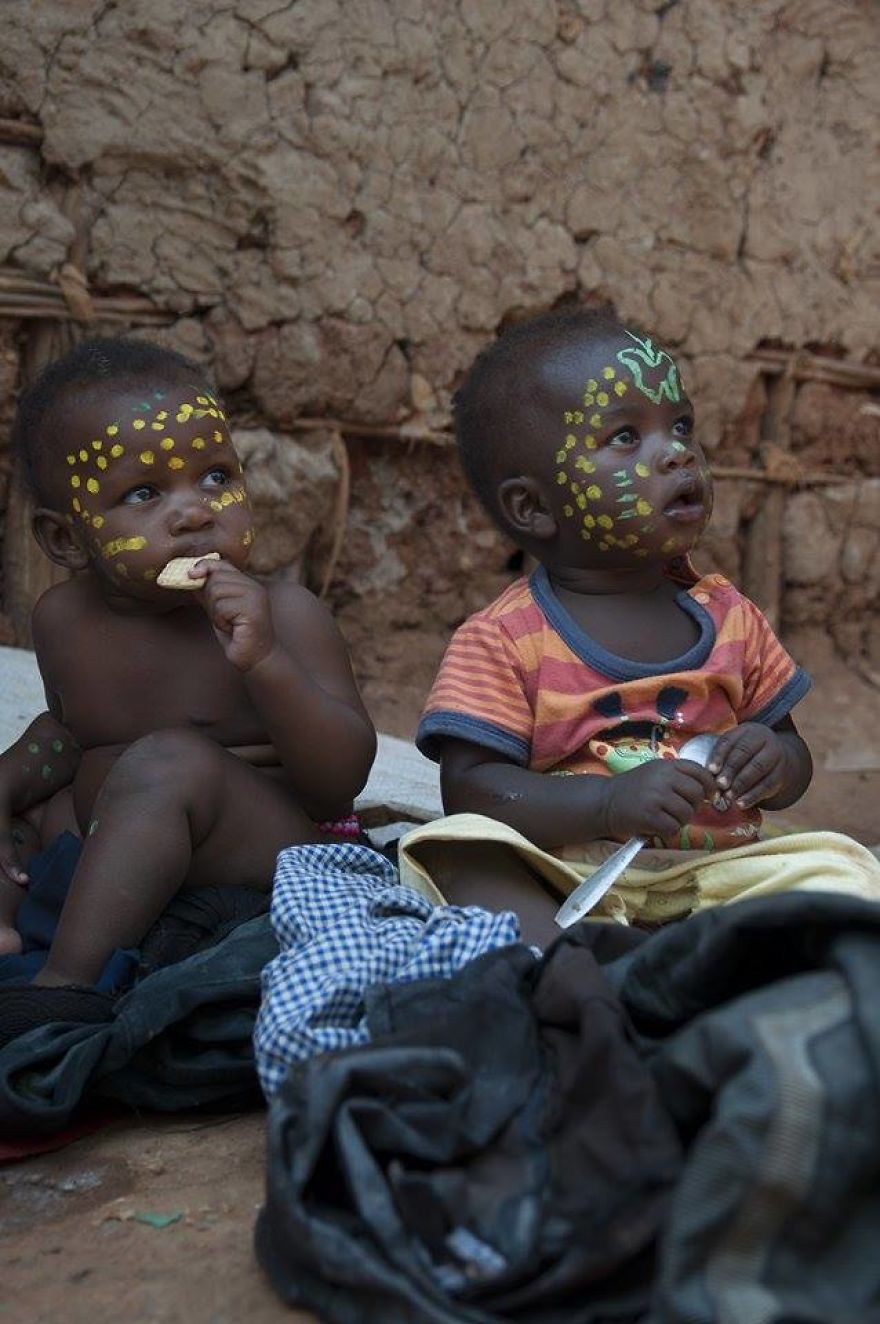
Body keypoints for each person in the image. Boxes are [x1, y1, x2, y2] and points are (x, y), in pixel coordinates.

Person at [401, 308, 879, 945]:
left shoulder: (731, 617)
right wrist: (605, 805)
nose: (678, 451)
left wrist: (775, 761)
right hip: (567, 874)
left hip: (721, 874)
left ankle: (698, 960)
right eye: (626, 438)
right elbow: (471, 791)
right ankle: (566, 967)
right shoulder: (503, 640)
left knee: (842, 869)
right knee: (461, 851)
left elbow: (793, 758)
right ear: (535, 507)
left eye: (679, 425)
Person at [0, 337, 376, 1019]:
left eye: (215, 478)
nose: (198, 510)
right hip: (120, 852)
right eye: (144, 493)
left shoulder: (287, 617)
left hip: (275, 854)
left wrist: (267, 665)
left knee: (169, 764)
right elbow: (74, 731)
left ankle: (62, 991)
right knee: (22, 805)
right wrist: (16, 774)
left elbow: (338, 783)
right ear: (65, 540)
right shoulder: (62, 621)